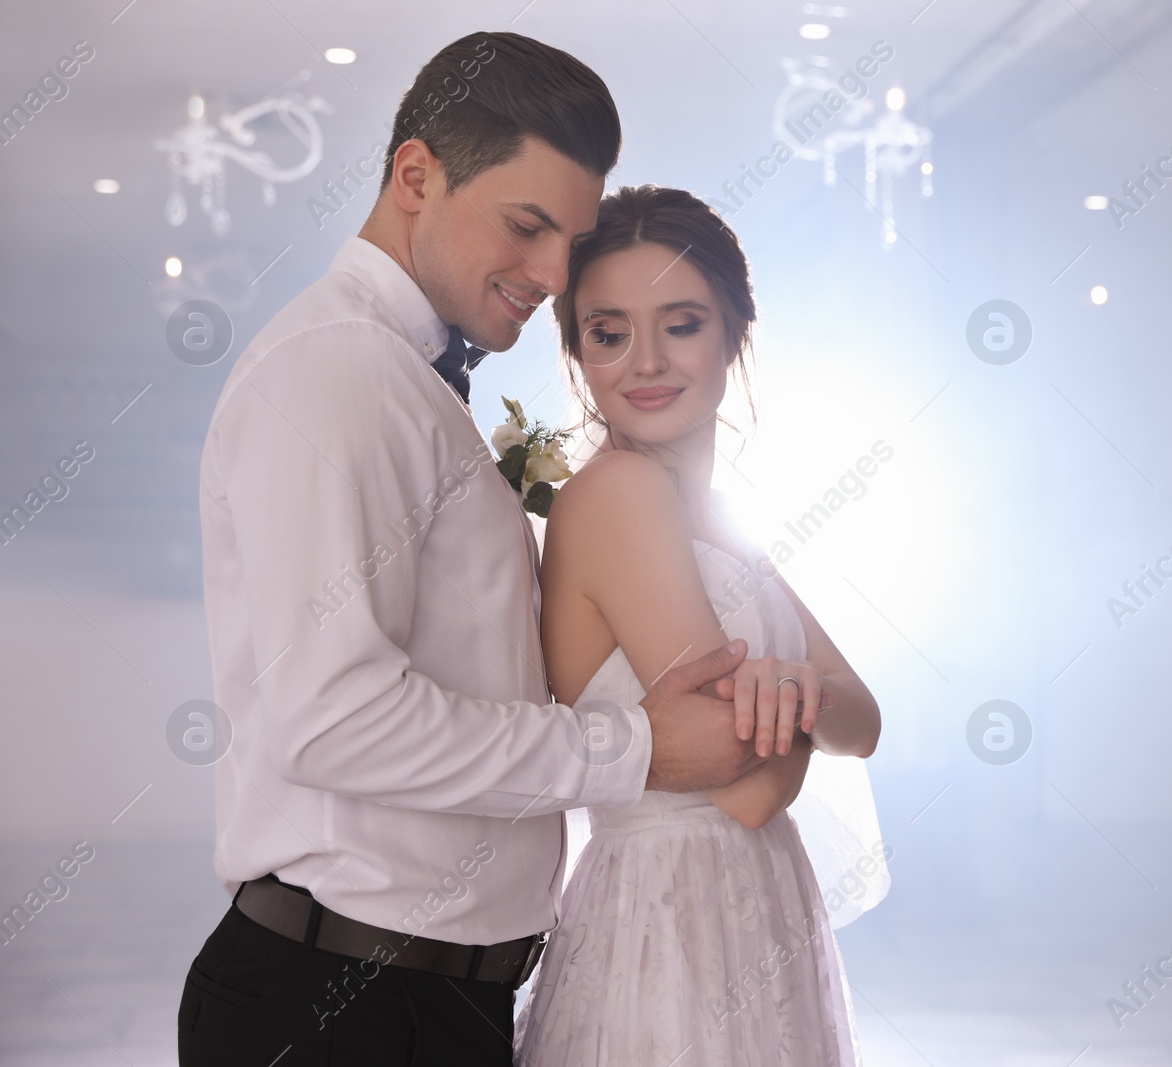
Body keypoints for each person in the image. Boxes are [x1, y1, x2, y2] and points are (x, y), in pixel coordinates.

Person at [179, 33, 767, 1065]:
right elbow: (336, 720)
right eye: (527, 226)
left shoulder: (406, 377)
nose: (552, 275)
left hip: (424, 997)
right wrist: (635, 749)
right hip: (343, 1006)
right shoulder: (339, 374)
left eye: (568, 240)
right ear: (417, 175)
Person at [512, 185, 883, 1066]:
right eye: (609, 332)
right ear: (577, 351)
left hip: (747, 911)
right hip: (671, 917)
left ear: (733, 333)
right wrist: (803, 696)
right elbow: (747, 789)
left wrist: (792, 693)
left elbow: (862, 719)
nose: (645, 362)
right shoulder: (617, 494)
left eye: (680, 323)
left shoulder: (715, 513)